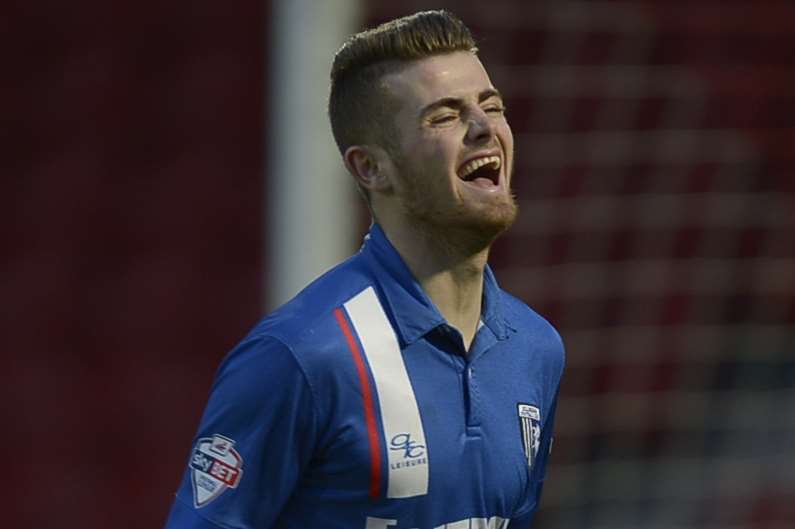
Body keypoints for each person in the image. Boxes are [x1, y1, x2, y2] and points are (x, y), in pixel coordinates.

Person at [164, 10, 564, 529]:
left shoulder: (535, 349)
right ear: (371, 167)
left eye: (492, 106)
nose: (484, 127)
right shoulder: (301, 357)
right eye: (443, 116)